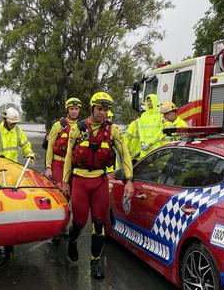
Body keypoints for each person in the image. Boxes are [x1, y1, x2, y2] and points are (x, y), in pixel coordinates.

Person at [62, 92, 134, 279]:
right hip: (79, 180)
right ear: (92, 108)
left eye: (106, 110)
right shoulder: (77, 129)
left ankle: (95, 262)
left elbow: (124, 154)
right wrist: (65, 183)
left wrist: (129, 180)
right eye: (100, 109)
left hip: (100, 181)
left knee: (99, 224)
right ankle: (72, 239)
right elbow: (69, 156)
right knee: (79, 222)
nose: (103, 113)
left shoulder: (113, 130)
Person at [45, 97, 82, 185]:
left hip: (74, 166)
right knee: (60, 189)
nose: (74, 111)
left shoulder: (82, 126)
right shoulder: (58, 125)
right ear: (67, 110)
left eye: (76, 109)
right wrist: (48, 168)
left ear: (79, 110)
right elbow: (50, 147)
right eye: (71, 109)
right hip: (58, 163)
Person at [123, 94, 162, 161]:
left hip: (154, 148)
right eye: (148, 101)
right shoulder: (143, 115)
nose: (149, 103)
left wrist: (150, 143)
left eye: (151, 101)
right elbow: (141, 130)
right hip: (144, 149)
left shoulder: (160, 115)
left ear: (155, 101)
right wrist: (142, 142)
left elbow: (160, 131)